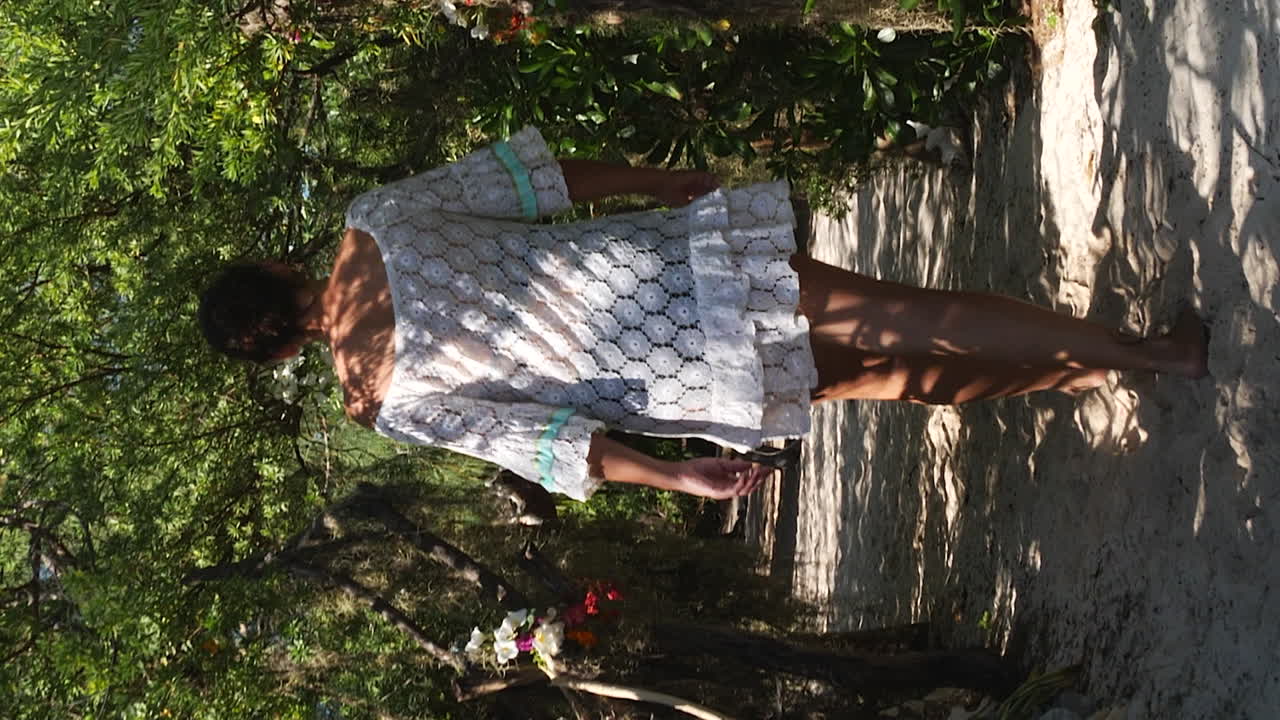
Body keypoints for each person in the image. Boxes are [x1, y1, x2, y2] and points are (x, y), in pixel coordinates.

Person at [198, 128, 1209, 501]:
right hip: (649, 268)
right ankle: (1140, 352)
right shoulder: (372, 223)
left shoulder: (378, 406)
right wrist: (663, 178)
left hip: (661, 372)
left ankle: (1101, 363)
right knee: (905, 311)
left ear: (279, 350)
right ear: (276, 273)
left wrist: (671, 471)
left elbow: (546, 444)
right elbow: (531, 178)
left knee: (884, 377)